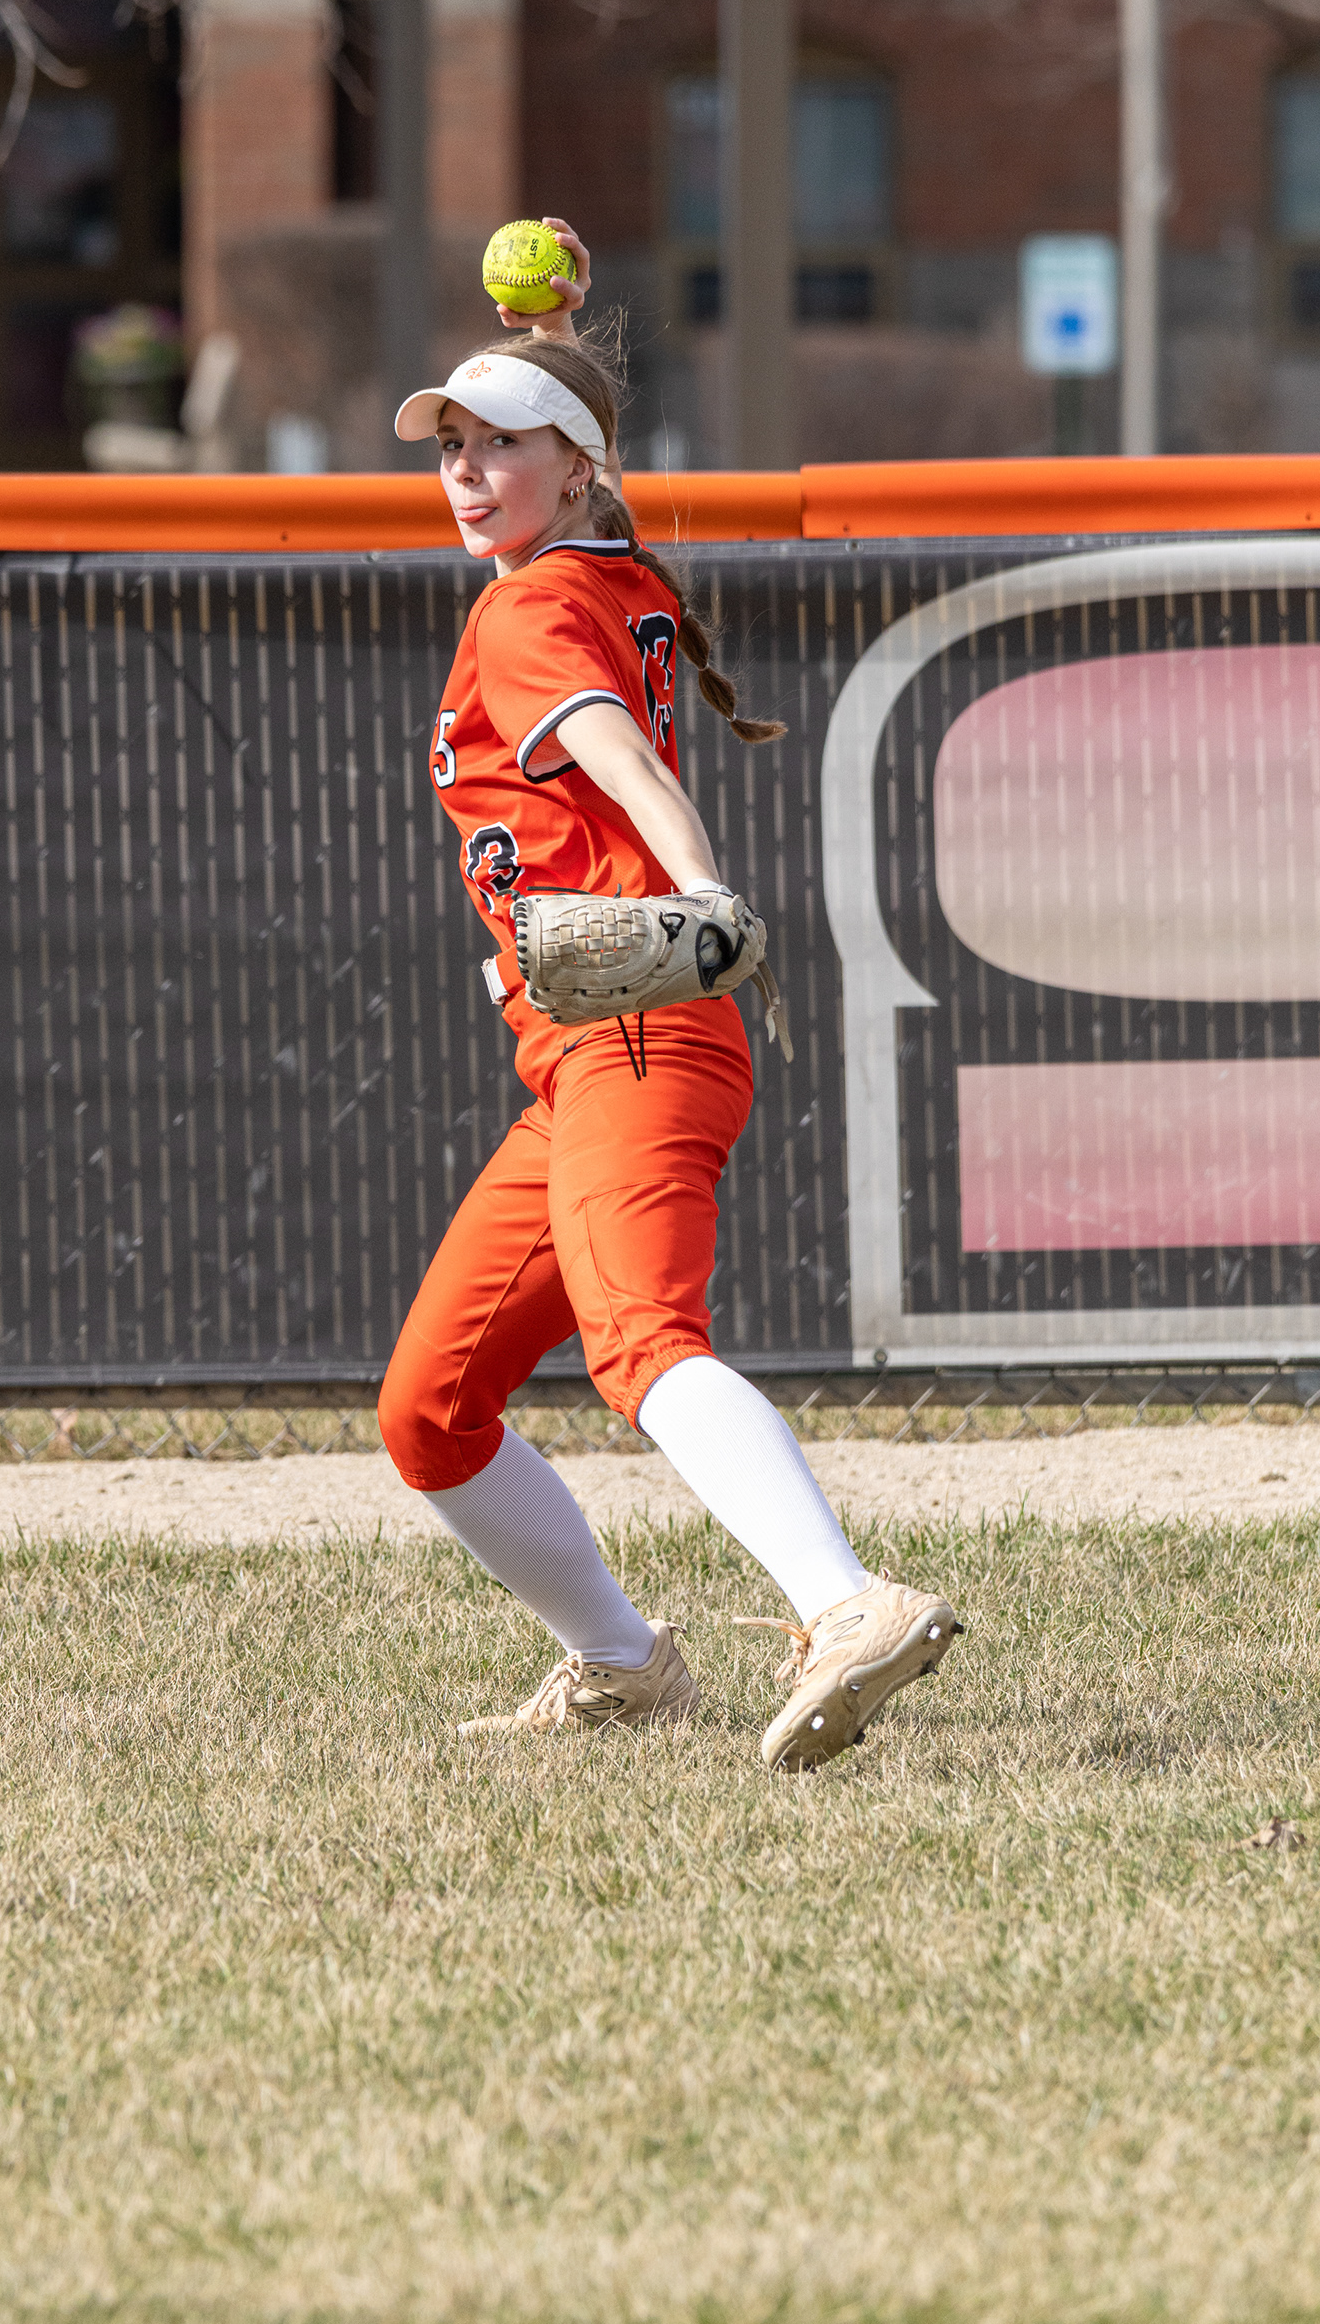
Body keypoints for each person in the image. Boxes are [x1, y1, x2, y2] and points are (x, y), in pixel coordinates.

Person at [376, 218, 961, 1769]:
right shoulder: (592, 570)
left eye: (504, 443)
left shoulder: (524, 606)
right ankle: (623, 1663)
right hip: (585, 1052)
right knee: (432, 1406)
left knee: (640, 1342)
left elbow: (617, 756)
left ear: (576, 468)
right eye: (452, 445)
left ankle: (844, 1604)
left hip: (634, 1024)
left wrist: (698, 888)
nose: (466, 470)